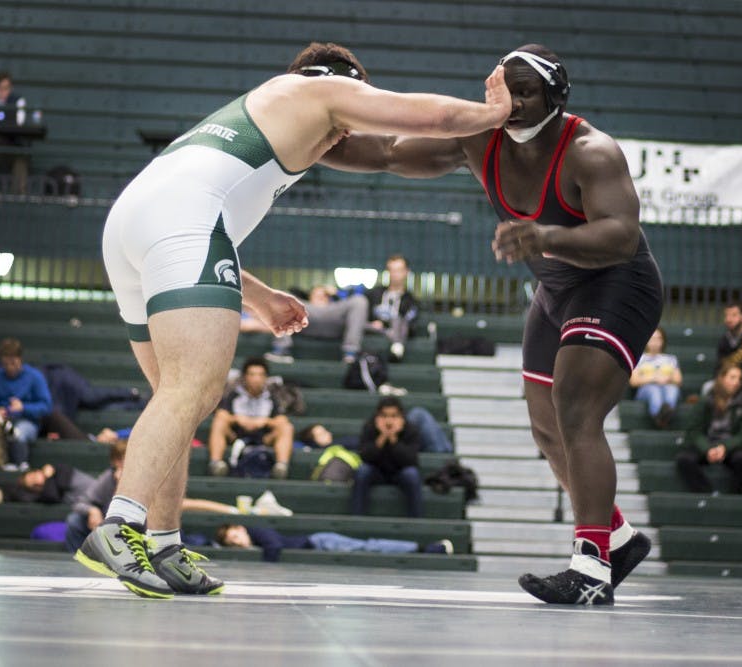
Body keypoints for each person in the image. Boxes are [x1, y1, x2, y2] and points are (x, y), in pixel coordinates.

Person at [77, 41, 511, 598]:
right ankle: (118, 525)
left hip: (133, 227)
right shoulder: (322, 89)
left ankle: (161, 543)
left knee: (174, 399)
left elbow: (388, 155)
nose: (343, 139)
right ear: (348, 84)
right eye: (350, 121)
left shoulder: (268, 112)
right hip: (184, 226)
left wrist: (254, 295)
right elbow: (430, 116)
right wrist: (496, 113)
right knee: (193, 389)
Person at [324, 43, 657, 604]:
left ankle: (591, 569)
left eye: (529, 92)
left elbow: (621, 235)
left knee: (576, 412)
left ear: (557, 95)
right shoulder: (479, 137)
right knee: (547, 429)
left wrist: (546, 236)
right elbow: (386, 154)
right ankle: (617, 538)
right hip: (556, 292)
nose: (517, 104)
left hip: (616, 284)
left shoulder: (591, 151)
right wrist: (313, 145)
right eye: (507, 92)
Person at [206, 357, 294, 479]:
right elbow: (221, 414)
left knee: (286, 427)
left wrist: (265, 421)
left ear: (265, 378)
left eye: (260, 375)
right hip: (236, 436)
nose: (256, 379)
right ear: (245, 377)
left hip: (263, 437)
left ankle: (281, 466)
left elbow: (282, 420)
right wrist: (237, 419)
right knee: (219, 422)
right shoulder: (234, 394)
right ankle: (216, 464)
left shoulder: (272, 396)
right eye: (252, 374)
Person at [675, 363, 742, 494]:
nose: (737, 382)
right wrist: (708, 449)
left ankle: (734, 496)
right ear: (722, 379)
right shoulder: (705, 401)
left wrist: (724, 447)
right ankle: (706, 493)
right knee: (684, 459)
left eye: (739, 379)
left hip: (729, 447)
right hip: (706, 444)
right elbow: (694, 431)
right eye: (732, 377)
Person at [0, 338, 53, 471]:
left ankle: (21, 465)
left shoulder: (34, 377)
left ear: (20, 359)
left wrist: (24, 408)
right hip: (0, 421)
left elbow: (46, 406)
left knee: (17, 433)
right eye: (5, 363)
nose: (10, 367)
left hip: (27, 421)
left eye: (13, 363)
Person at [215, 523, 452, 562]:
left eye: (235, 536)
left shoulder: (258, 532)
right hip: (318, 543)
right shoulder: (254, 539)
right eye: (231, 543)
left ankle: (426, 548)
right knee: (367, 547)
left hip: (320, 542)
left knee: (368, 546)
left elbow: (274, 547)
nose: (237, 543)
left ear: (240, 528)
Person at [351, 397, 423, 517]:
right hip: (376, 472)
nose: (389, 421)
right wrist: (382, 437)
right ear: (377, 417)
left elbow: (411, 460)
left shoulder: (411, 429)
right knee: (362, 471)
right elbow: (365, 457)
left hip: (400, 472)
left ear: (401, 417)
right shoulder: (369, 427)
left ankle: (416, 520)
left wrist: (393, 439)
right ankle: (357, 517)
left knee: (412, 474)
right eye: (384, 416)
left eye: (394, 416)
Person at [266, 284, 369, 364]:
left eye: (324, 294)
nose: (320, 296)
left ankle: (350, 353)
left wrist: (338, 292)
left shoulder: (337, 302)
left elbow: (361, 292)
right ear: (310, 295)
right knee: (283, 297)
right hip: (308, 316)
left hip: (333, 318)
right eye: (317, 294)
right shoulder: (305, 303)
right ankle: (281, 350)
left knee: (360, 300)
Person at [366, 254, 419, 362]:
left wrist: (387, 324)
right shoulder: (374, 293)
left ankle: (397, 347)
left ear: (406, 272)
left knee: (399, 321)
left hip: (397, 331)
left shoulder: (411, 301)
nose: (395, 274)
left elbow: (410, 325)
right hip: (372, 330)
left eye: (399, 270)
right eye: (392, 270)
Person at [629, 327, 682, 429]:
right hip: (646, 390)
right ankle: (659, 416)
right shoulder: (639, 358)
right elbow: (634, 381)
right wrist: (654, 378)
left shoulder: (671, 359)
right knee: (654, 390)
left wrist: (666, 379)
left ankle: (665, 415)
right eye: (652, 338)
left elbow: (678, 380)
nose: (655, 342)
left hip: (667, 387)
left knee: (673, 389)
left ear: (663, 340)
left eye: (658, 338)